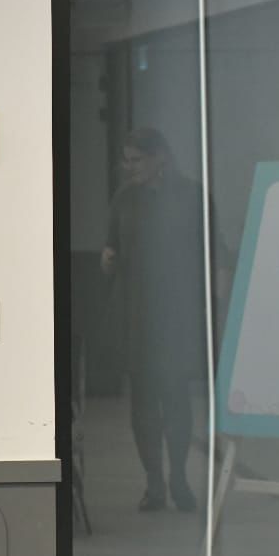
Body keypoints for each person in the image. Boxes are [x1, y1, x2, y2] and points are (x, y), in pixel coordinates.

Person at [101, 126, 208, 513]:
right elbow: (111, 248)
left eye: (137, 160)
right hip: (136, 312)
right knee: (143, 402)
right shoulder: (125, 199)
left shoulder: (192, 196)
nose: (130, 167)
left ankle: (178, 476)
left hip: (177, 313)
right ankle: (154, 482)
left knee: (176, 398)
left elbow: (208, 250)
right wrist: (108, 259)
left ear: (160, 156)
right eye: (126, 160)